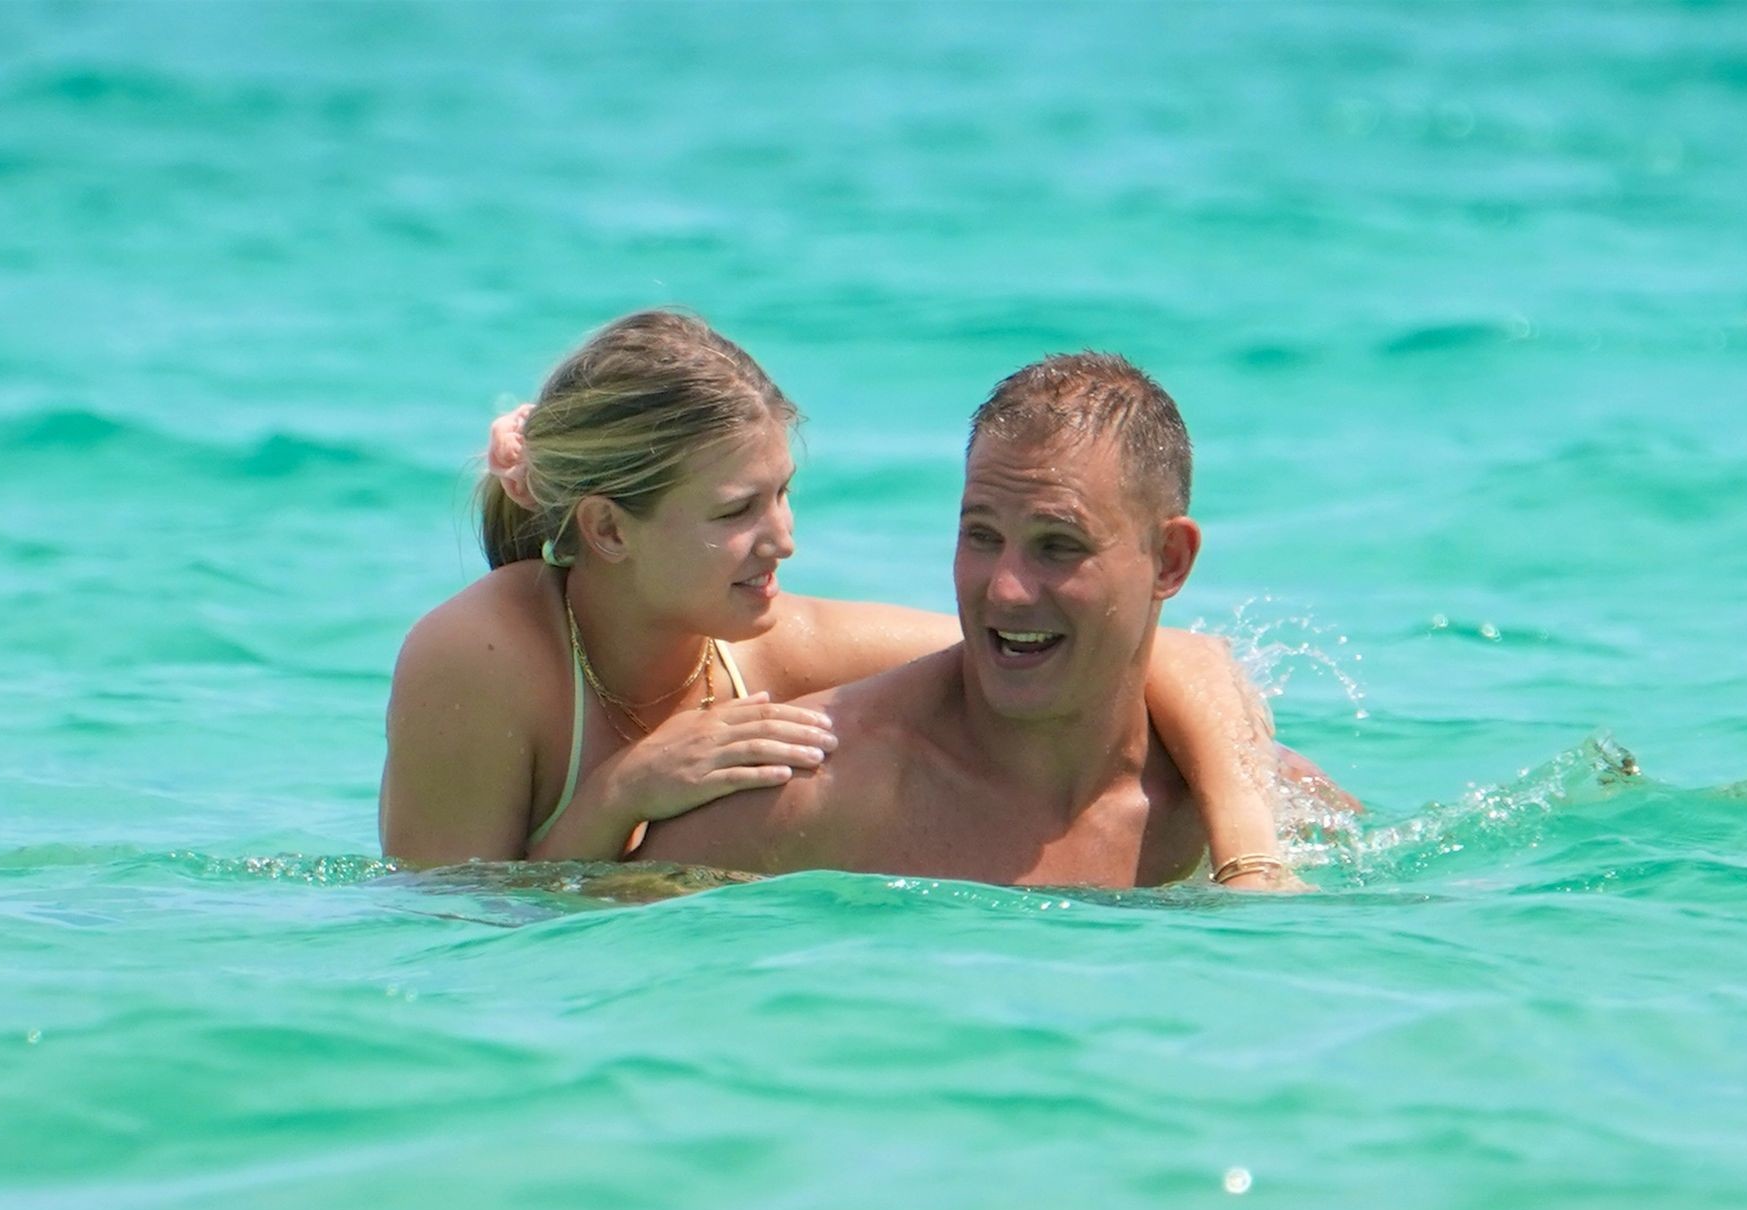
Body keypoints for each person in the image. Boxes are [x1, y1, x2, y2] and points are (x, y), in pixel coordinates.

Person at [380, 310, 1311, 883]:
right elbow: (461, 933)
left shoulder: (773, 643)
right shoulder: (483, 656)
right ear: (610, 530)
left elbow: (1161, 650)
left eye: (783, 493)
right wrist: (622, 792)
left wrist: (1247, 844)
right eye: (738, 509)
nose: (783, 537)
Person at [640, 352, 1294, 889]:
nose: (1006, 590)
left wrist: (1250, 855)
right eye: (981, 536)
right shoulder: (814, 798)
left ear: (1169, 561)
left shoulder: (1248, 805)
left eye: (1057, 546)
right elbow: (599, 919)